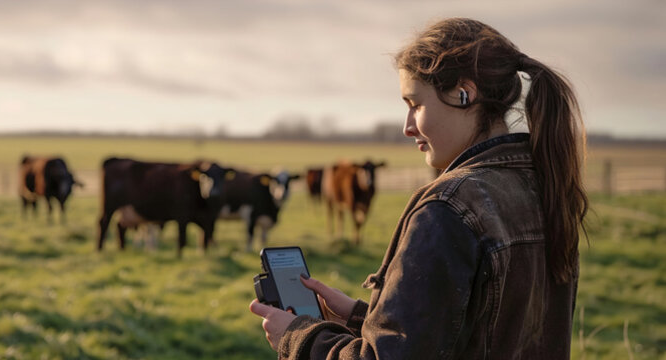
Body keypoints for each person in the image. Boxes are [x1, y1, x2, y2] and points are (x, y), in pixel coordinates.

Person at [249, 17, 588, 359]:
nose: (407, 127)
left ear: (464, 94)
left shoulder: (448, 209)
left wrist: (299, 338)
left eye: (415, 104)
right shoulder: (544, 189)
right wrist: (362, 319)